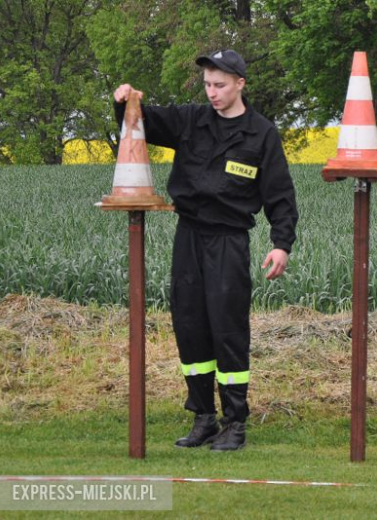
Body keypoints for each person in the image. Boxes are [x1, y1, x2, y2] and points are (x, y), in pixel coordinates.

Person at [113, 49, 298, 451]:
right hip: (189, 235)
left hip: (229, 240)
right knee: (190, 326)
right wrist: (126, 100)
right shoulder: (192, 120)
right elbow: (142, 121)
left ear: (240, 84)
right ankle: (203, 418)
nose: (212, 93)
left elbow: (280, 195)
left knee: (228, 329)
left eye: (220, 85)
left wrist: (281, 244)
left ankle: (235, 422)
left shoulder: (261, 133)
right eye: (207, 85)